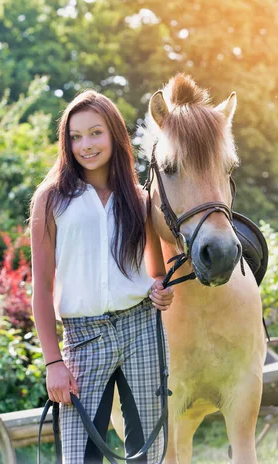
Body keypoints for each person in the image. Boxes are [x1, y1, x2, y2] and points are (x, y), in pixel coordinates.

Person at [29, 90, 174, 464]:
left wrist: (160, 290)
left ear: (114, 135)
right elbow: (42, 290)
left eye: (95, 133)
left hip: (142, 328)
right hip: (83, 337)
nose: (85, 145)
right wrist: (52, 363)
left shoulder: (140, 199)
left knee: (150, 452)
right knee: (80, 456)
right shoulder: (51, 200)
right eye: (75, 137)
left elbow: (156, 273)